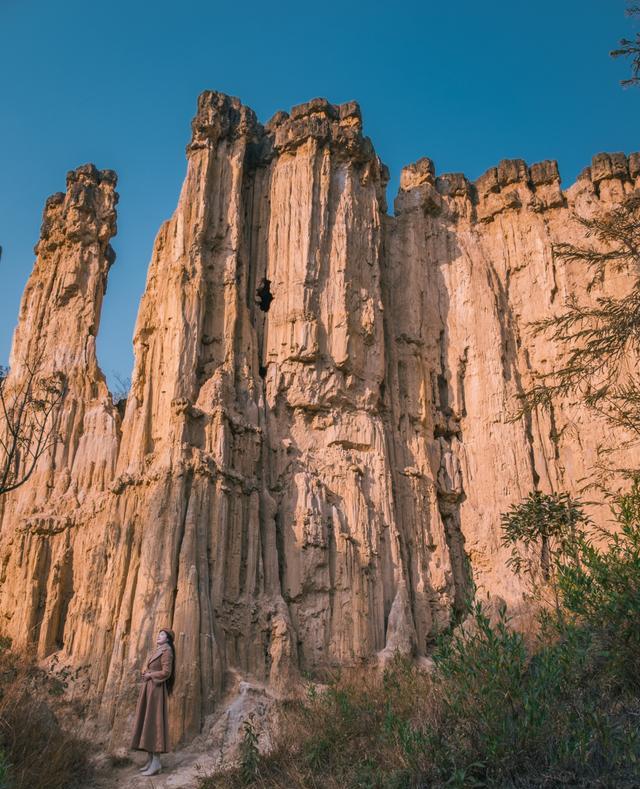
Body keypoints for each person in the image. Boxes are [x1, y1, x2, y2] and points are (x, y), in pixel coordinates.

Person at [130, 628, 175, 776]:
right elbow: (153, 668)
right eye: (159, 633)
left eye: (162, 634)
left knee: (154, 723)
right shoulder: (159, 649)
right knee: (148, 722)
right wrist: (146, 673)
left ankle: (156, 763)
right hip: (149, 690)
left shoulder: (167, 651)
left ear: (168, 639)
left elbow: (166, 672)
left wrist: (151, 675)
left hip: (156, 691)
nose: (159, 635)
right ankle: (151, 761)